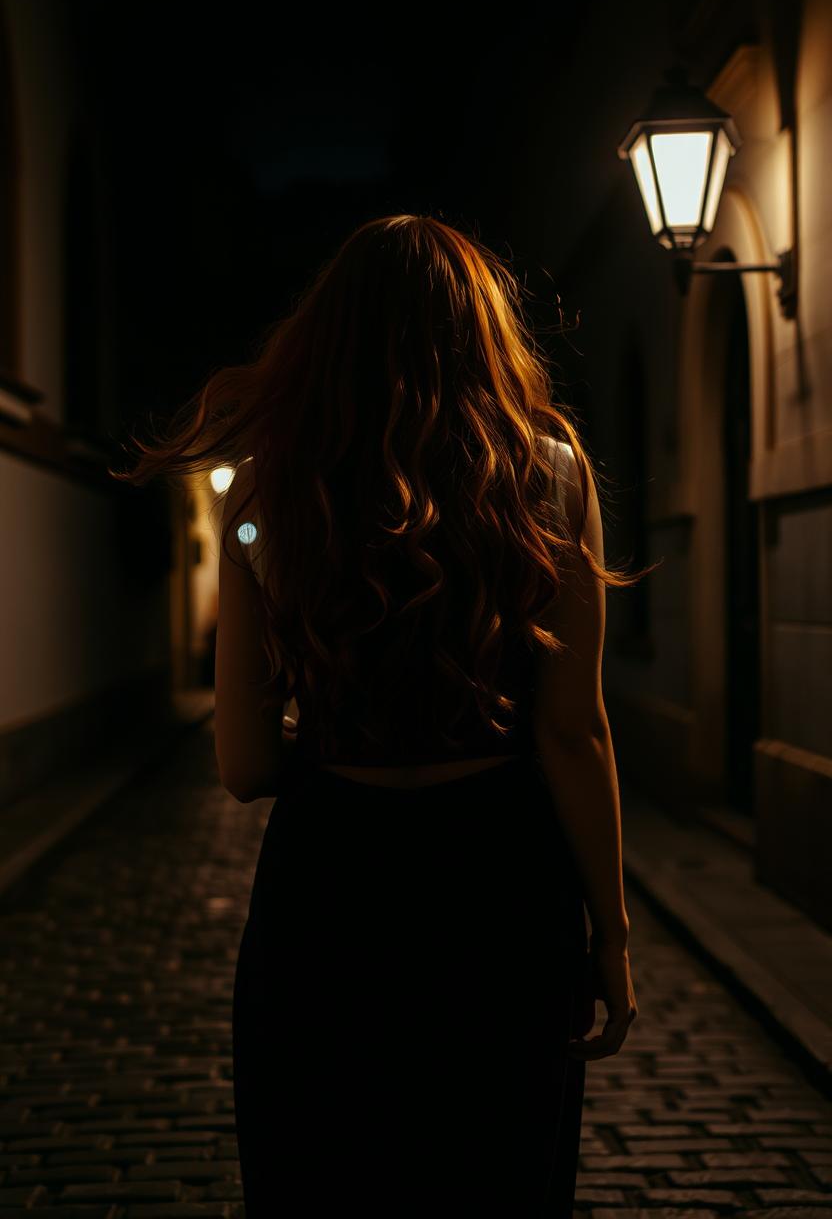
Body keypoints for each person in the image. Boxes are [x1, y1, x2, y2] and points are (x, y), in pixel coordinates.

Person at [112, 213, 646, 1217]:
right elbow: (572, 732)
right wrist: (609, 936)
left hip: (328, 887)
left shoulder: (269, 496)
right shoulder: (550, 474)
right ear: (480, 332)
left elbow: (241, 764)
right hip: (503, 887)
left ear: (330, 338)